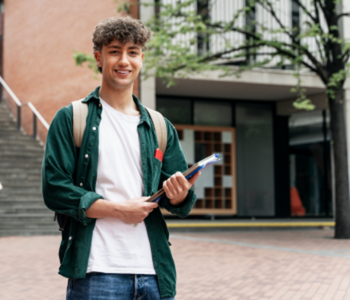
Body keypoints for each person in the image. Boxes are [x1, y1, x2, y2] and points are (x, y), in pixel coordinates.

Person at [42, 16, 200, 300]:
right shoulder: (72, 118)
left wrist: (178, 194)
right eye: (114, 51)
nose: (124, 60)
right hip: (96, 272)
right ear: (98, 57)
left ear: (142, 58)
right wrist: (118, 210)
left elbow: (181, 204)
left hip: (155, 273)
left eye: (133, 52)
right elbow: (55, 190)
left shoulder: (160, 126)